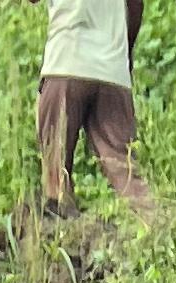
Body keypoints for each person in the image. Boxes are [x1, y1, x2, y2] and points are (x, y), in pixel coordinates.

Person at [40, 0, 149, 210]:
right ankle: (155, 228)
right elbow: (135, 5)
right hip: (112, 71)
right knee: (123, 167)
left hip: (65, 62)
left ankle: (64, 231)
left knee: (56, 167)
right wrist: (124, 55)